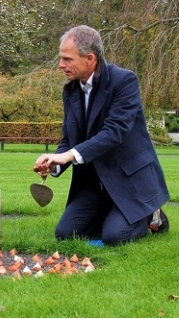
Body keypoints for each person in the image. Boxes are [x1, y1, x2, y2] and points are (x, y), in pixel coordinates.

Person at [33, 25, 170, 246]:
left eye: (67, 59)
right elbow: (69, 138)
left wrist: (68, 156)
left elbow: (115, 132)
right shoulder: (70, 91)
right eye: (61, 58)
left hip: (129, 181)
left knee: (115, 237)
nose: (61, 65)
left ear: (90, 58)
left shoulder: (124, 81)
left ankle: (154, 216)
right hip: (94, 184)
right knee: (66, 234)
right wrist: (53, 163)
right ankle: (114, 213)